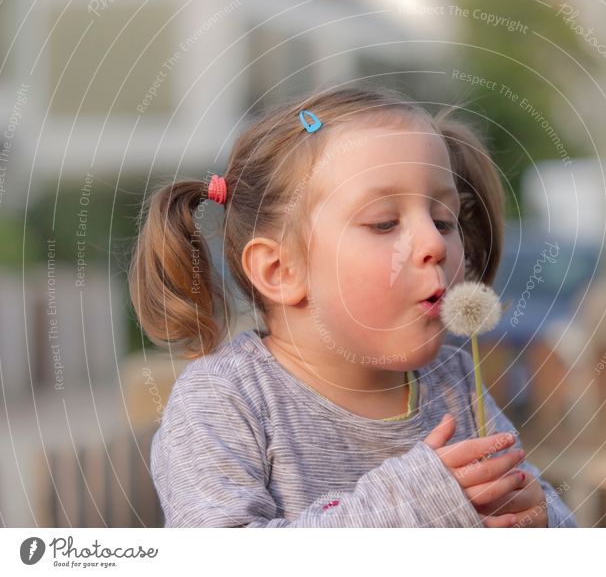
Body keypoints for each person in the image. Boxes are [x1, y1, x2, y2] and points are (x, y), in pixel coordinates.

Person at [129, 85, 577, 528]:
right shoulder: (225, 399)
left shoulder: (454, 382)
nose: (434, 243)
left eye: (444, 220)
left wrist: (537, 520)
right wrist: (416, 504)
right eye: (384, 223)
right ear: (281, 269)